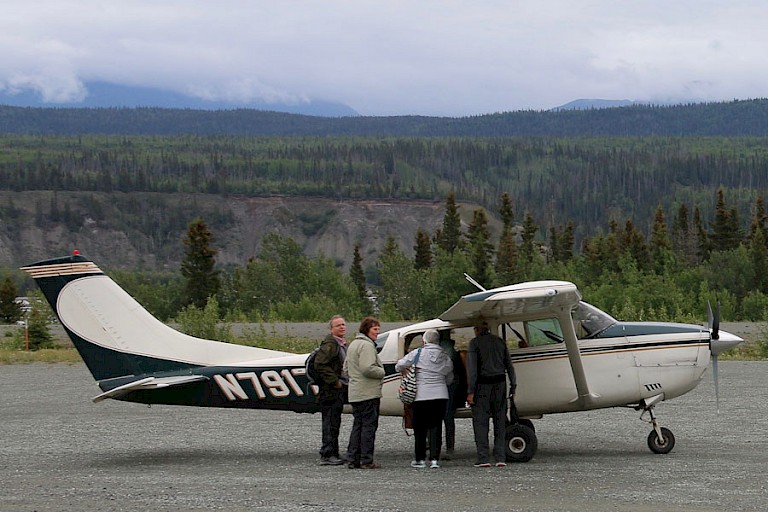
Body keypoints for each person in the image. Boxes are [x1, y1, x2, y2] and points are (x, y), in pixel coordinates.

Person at [396, 329, 453, 469]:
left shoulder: (418, 353)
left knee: (420, 428)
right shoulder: (445, 356)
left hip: (421, 395)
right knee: (436, 426)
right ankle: (434, 459)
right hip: (440, 395)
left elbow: (399, 365)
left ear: (424, 340)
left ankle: (420, 459)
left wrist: (407, 371)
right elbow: (450, 376)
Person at [466, 322, 516, 468]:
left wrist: (470, 392)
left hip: (483, 386)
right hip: (500, 384)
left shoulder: (474, 344)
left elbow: (472, 370)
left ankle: (483, 458)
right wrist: (513, 385)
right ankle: (500, 457)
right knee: (500, 420)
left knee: (481, 422)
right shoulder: (500, 342)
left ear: (476, 329)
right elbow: (509, 365)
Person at [344, 316, 385, 469]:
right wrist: (382, 372)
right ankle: (366, 459)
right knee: (369, 426)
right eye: (375, 329)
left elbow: (346, 369)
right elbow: (367, 368)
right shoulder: (367, 346)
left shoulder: (353, 344)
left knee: (358, 426)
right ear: (367, 329)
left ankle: (353, 458)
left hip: (355, 392)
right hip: (368, 393)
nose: (377, 332)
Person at [314, 315, 348, 466]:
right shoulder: (330, 344)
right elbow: (320, 364)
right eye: (338, 325)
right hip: (329, 391)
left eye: (343, 325)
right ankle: (327, 453)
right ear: (331, 329)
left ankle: (334, 452)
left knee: (335, 422)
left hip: (335, 391)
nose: (342, 327)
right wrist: (335, 382)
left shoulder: (341, 344)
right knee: (329, 422)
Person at [439, 334, 467, 460]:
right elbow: (460, 375)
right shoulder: (453, 354)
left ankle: (434, 446)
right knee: (448, 417)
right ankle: (450, 447)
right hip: (450, 388)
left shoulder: (438, 353)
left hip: (437, 387)